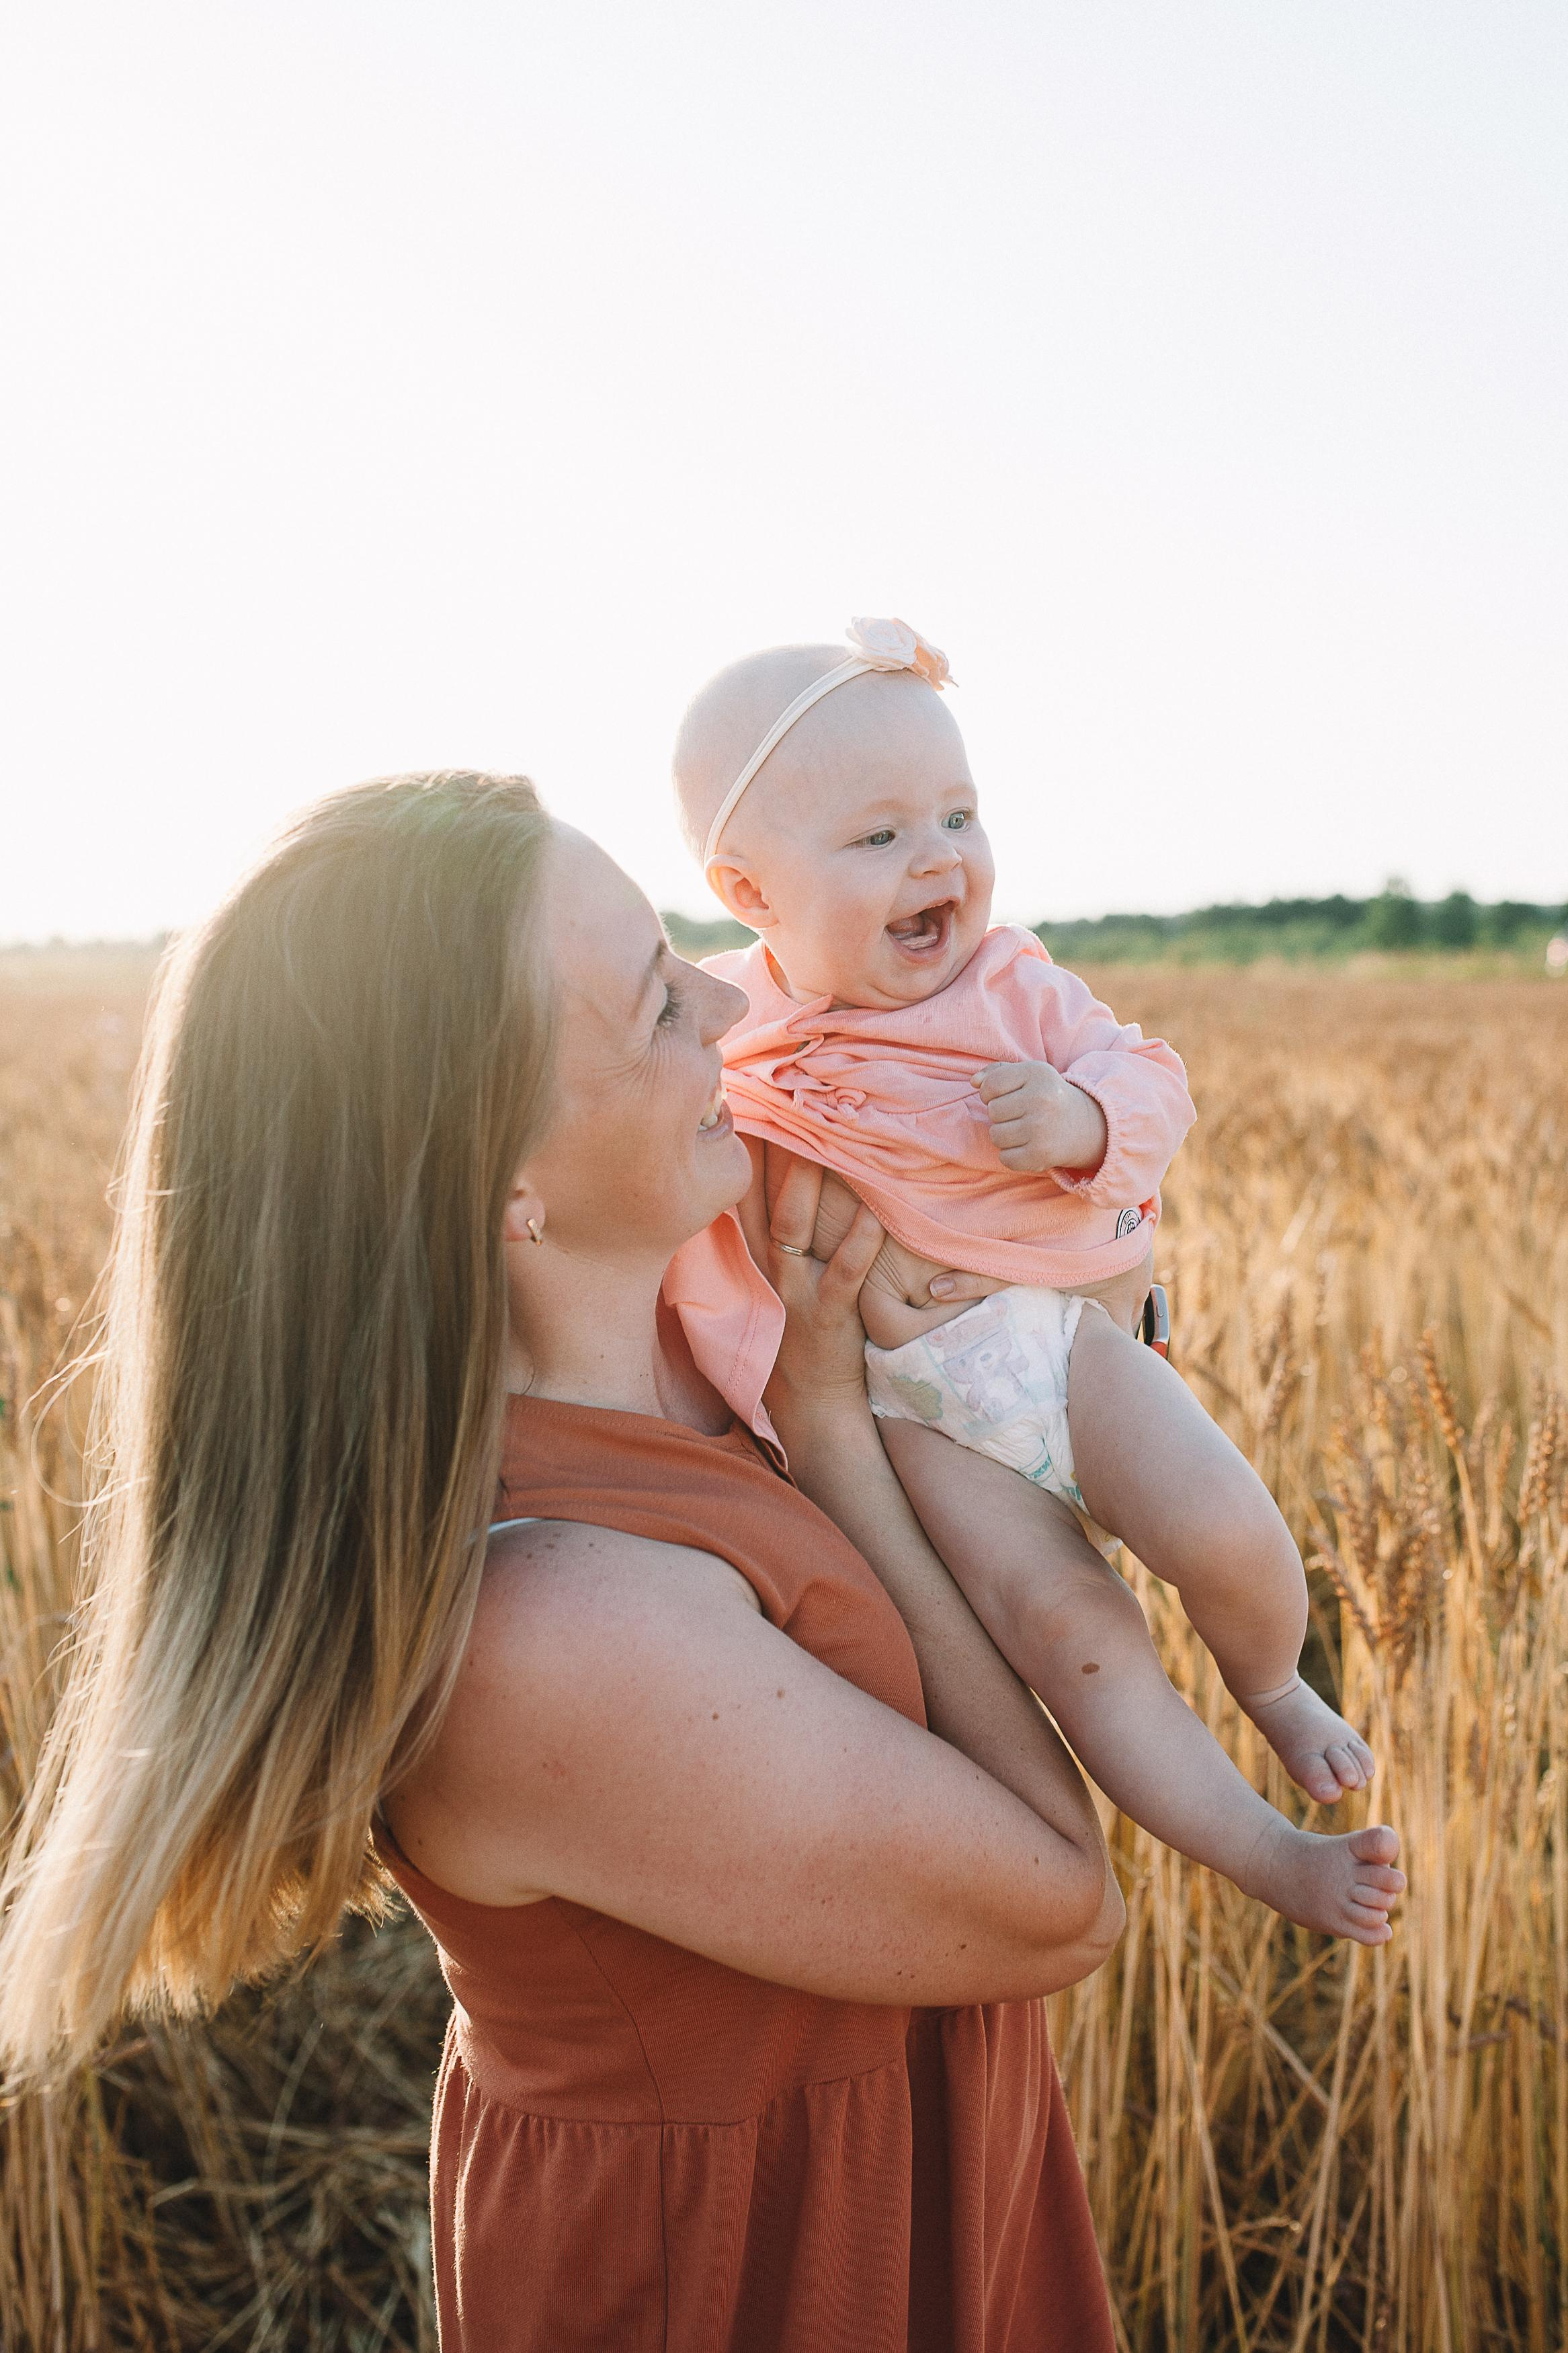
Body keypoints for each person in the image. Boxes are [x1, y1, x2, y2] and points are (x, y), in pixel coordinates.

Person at [0, 772, 1126, 2350]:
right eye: (660, 1003)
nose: (737, 997)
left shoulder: (712, 1353)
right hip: (748, 2283)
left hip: (915, 2210)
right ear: (502, 1181)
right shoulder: (548, 1624)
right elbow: (1058, 1905)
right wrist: (845, 1436)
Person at [672, 623, 1407, 1946]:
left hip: (1064, 1345)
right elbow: (698, 1233)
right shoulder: (734, 1036)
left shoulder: (1015, 986)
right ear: (750, 889)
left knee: (1228, 1529)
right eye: (878, 835)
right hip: (922, 1425)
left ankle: (1270, 1681)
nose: (940, 855)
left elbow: (1152, 1079)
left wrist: (1080, 1121)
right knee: (1074, 1640)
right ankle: (1272, 1855)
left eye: (958, 813)